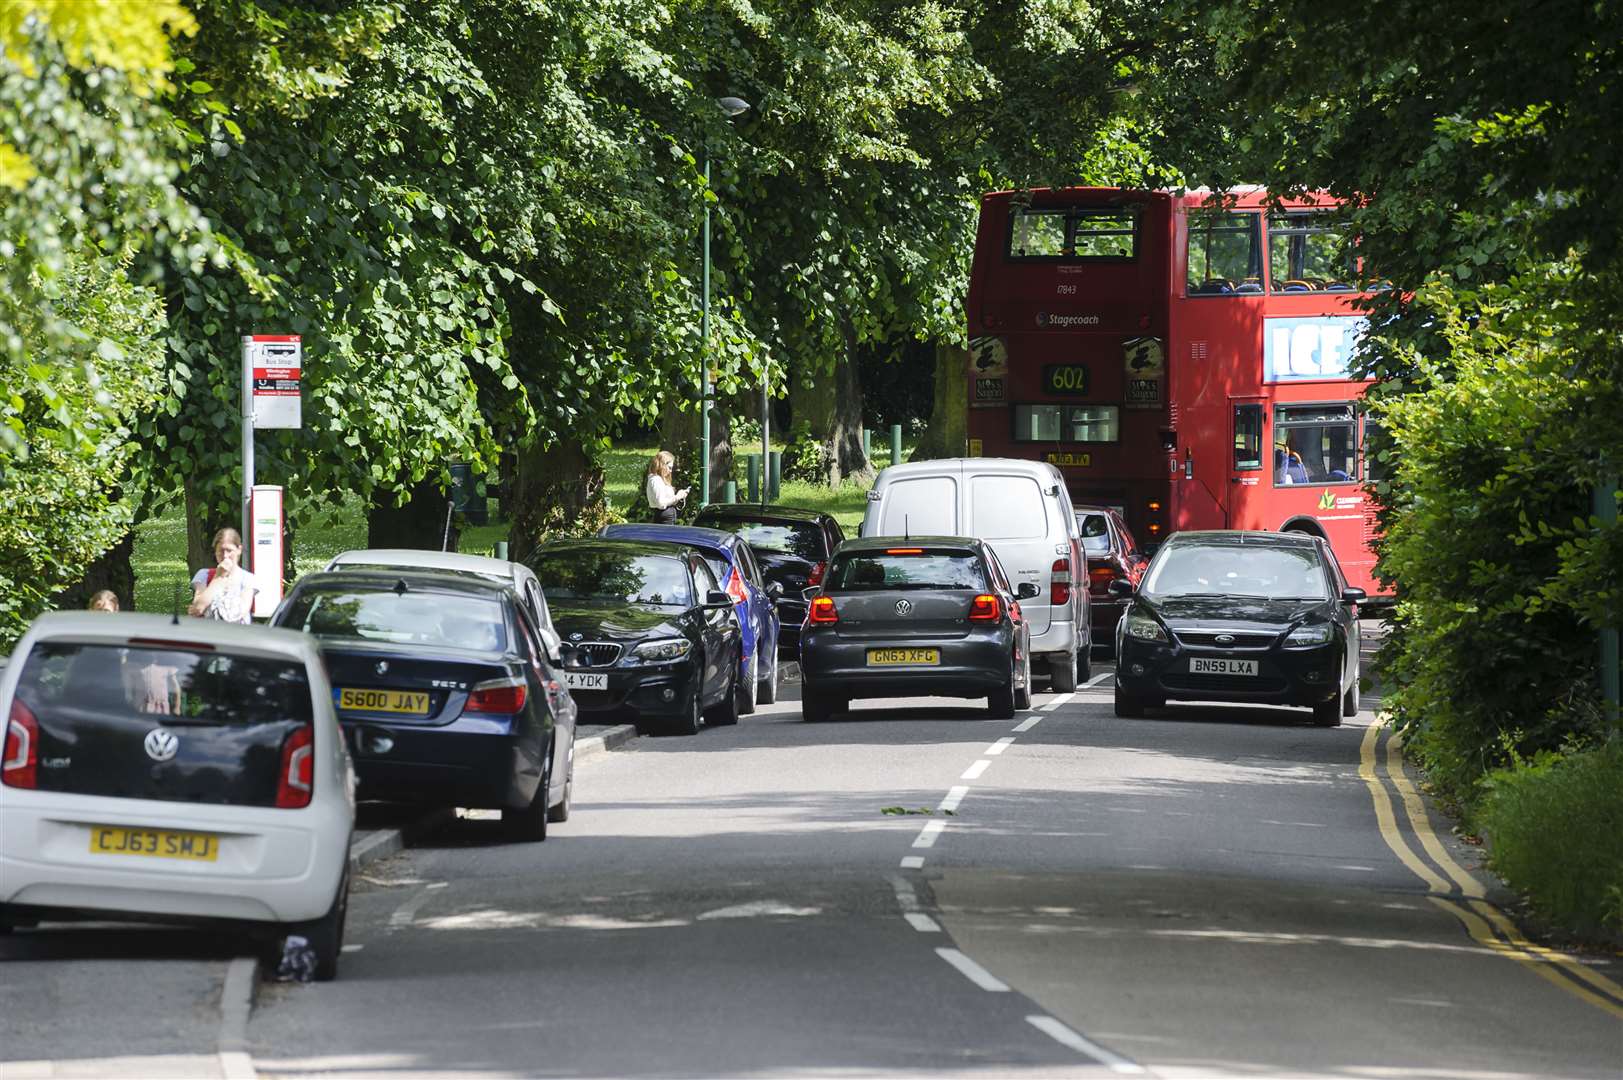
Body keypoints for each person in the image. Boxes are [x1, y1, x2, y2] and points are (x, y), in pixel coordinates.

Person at [189, 527, 259, 623]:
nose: (225, 556)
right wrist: (219, 577)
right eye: (221, 550)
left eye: (229, 550)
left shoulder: (248, 578)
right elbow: (198, 608)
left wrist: (206, 606)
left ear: (239, 550)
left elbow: (239, 613)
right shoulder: (204, 574)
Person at [645, 450, 689, 525]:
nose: (671, 471)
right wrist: (677, 497)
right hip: (664, 517)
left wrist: (679, 496)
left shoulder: (660, 479)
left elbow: (667, 501)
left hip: (667, 516)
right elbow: (661, 504)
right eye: (669, 467)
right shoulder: (656, 480)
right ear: (662, 465)